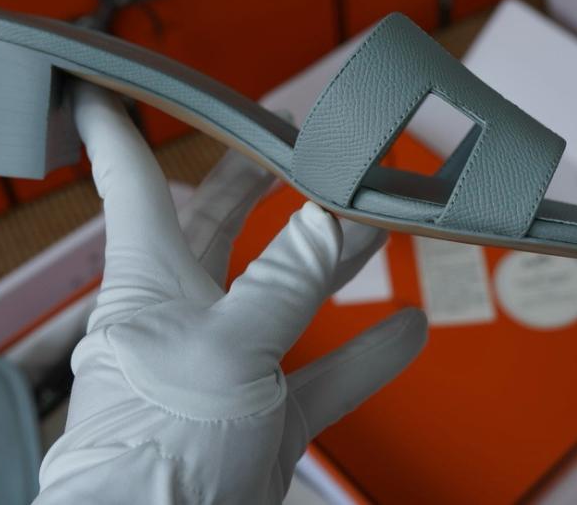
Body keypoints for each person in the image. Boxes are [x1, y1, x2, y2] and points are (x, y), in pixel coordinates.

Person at [33, 83, 429, 503]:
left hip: (176, 412)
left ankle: (82, 93)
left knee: (159, 199)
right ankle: (84, 94)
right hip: (123, 379)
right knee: (133, 186)